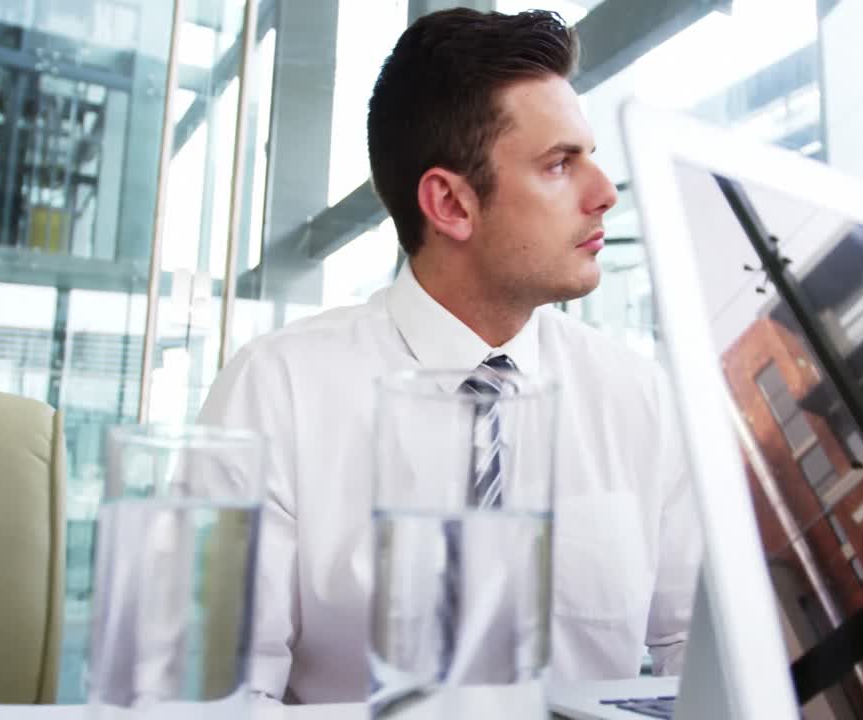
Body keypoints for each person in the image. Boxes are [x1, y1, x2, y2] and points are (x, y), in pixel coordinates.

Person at [198, 9, 700, 704]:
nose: (604, 192)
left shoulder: (638, 396)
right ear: (450, 204)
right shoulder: (276, 390)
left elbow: (700, 668)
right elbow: (220, 699)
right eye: (560, 164)